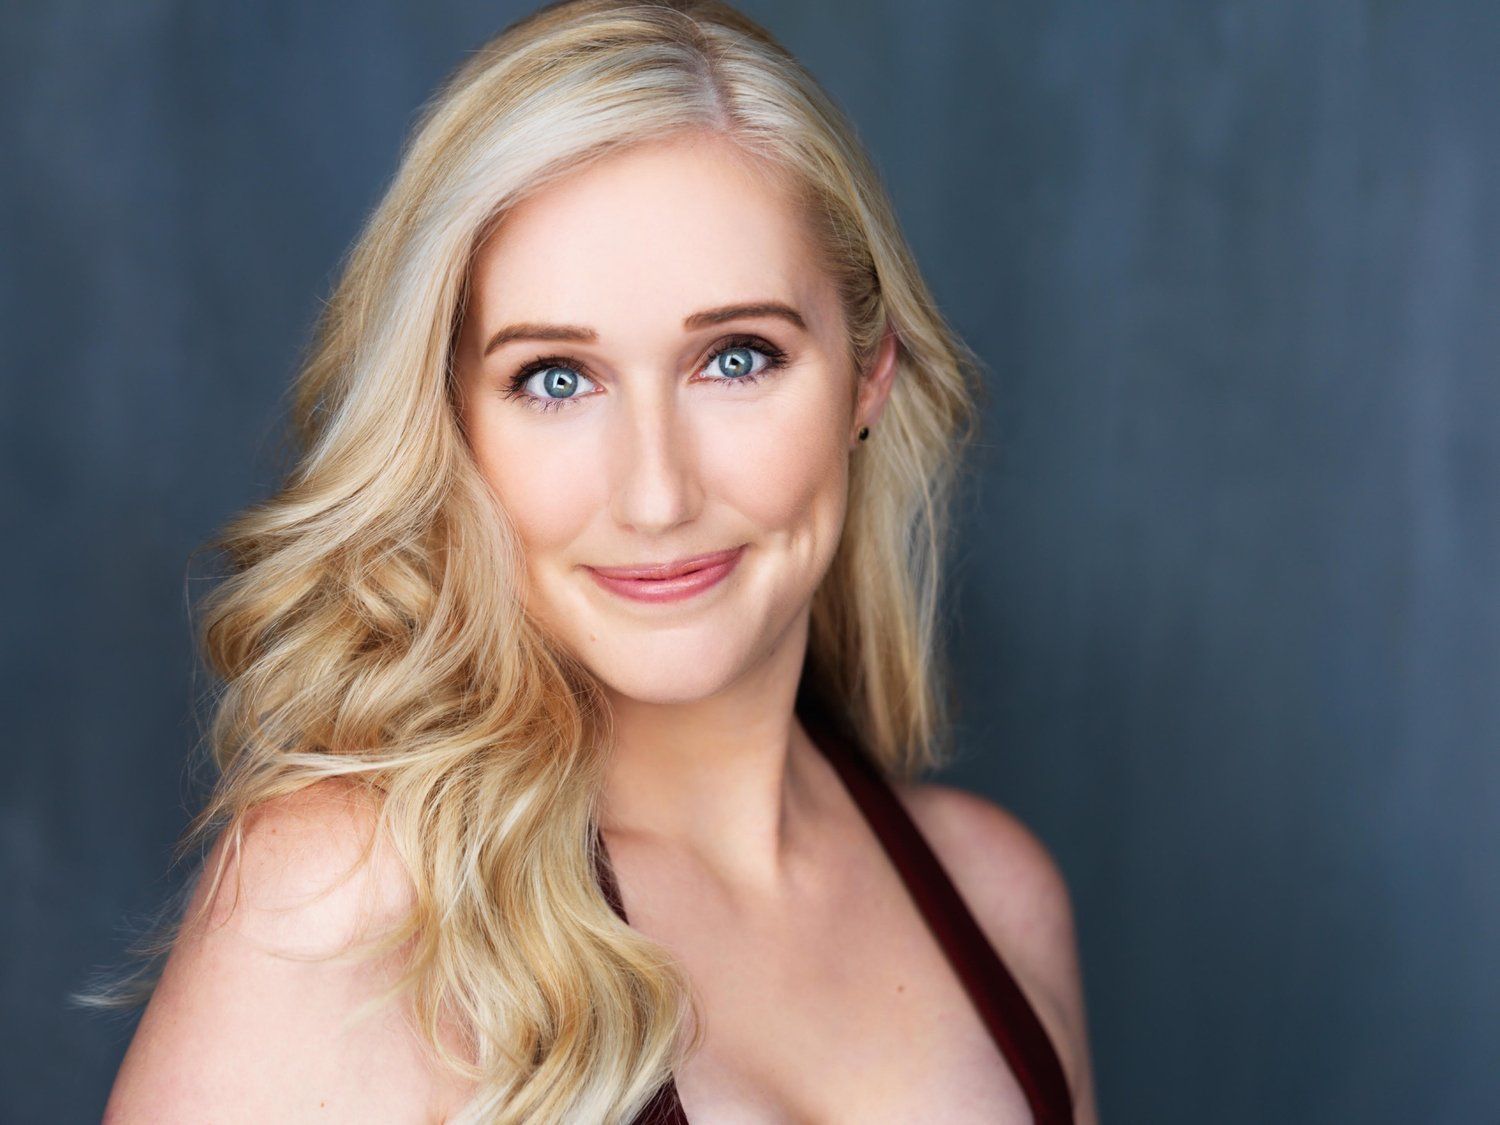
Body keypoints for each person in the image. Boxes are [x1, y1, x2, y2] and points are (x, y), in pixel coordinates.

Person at [95, 1, 1098, 1120]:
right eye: (556, 379)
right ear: (451, 421)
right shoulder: (351, 904)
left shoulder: (997, 898)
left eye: (737, 358)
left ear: (867, 375)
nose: (658, 495)